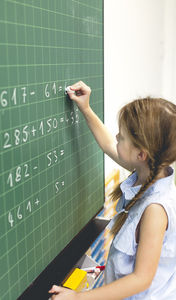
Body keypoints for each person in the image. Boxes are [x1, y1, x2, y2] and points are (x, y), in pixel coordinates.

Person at [49, 81, 176, 299]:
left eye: (123, 136)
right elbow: (109, 144)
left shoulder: (156, 209)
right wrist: (86, 108)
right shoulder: (150, 171)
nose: (117, 136)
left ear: (141, 154)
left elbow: (141, 279)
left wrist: (78, 297)